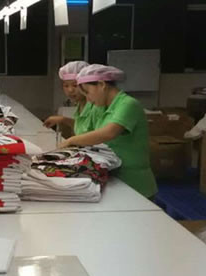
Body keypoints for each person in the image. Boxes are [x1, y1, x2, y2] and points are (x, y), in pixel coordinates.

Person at [60, 64, 157, 199]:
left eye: (88, 92)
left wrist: (71, 141)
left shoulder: (128, 104)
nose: (88, 99)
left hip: (134, 181)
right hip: (112, 176)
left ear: (101, 85)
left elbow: (109, 133)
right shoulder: (102, 107)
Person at [43, 61, 102, 136]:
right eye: (66, 86)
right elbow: (81, 127)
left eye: (75, 85)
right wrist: (63, 120)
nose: (70, 90)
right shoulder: (80, 104)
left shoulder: (96, 106)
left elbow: (93, 133)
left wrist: (63, 120)